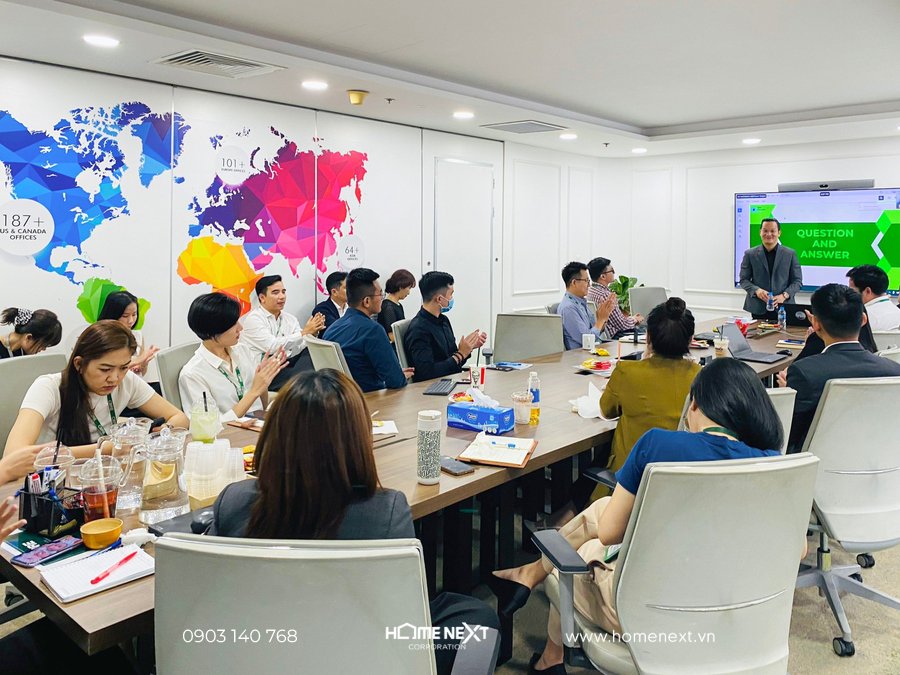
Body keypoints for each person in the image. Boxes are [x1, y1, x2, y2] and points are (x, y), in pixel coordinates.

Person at [490, 358, 783, 674]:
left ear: (696, 403)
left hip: (650, 616)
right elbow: (797, 549)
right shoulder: (773, 463)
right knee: (600, 516)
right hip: (733, 614)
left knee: (570, 557)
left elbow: (609, 533)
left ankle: (549, 647)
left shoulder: (658, 444)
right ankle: (536, 603)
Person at [208, 370, 498, 675]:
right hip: (358, 654)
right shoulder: (384, 511)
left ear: (274, 435)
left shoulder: (233, 502)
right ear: (358, 439)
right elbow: (405, 614)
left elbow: (210, 596)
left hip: (258, 651)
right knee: (476, 622)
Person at [3, 321, 188, 480]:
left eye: (124, 367)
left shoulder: (127, 381)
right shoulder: (49, 388)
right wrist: (107, 449)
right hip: (53, 483)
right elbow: (14, 455)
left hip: (103, 476)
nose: (115, 378)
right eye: (105, 369)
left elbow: (180, 418)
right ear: (79, 364)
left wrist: (163, 431)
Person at [779, 283, 900, 451]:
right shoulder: (894, 370)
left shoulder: (804, 372)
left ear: (816, 324)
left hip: (817, 462)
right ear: (863, 320)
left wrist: (786, 394)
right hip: (882, 460)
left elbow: (787, 434)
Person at [599, 297, 700, 473]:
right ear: (691, 340)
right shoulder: (700, 376)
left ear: (648, 337)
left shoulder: (627, 372)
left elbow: (606, 411)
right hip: (681, 475)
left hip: (629, 477)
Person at [179, 293, 287, 421]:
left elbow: (260, 406)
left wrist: (263, 381)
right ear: (213, 330)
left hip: (258, 424)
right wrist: (254, 391)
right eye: (233, 324)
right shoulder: (193, 374)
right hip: (231, 432)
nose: (240, 328)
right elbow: (208, 426)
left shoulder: (242, 350)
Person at [323, 268, 413, 392]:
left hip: (342, 396)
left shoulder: (333, 329)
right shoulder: (373, 330)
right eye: (380, 294)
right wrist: (398, 375)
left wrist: (395, 373)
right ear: (366, 301)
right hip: (370, 397)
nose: (382, 298)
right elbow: (396, 382)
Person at [240, 275, 325, 389]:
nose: (282, 296)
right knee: (308, 377)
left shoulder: (290, 319)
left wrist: (312, 333)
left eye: (283, 292)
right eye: (275, 293)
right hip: (265, 372)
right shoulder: (254, 319)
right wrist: (304, 333)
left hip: (285, 364)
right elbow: (271, 346)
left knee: (312, 353)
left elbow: (299, 346)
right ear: (262, 297)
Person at [404, 271, 486, 382]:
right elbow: (426, 373)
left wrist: (468, 348)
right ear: (439, 299)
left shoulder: (444, 321)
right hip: (432, 388)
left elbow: (454, 362)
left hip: (452, 381)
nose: (452, 298)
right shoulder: (418, 329)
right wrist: (461, 354)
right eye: (451, 294)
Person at [738, 217, 803, 320]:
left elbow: (797, 281)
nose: (769, 234)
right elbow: (743, 280)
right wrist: (757, 291)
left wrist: (784, 295)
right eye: (765, 231)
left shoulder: (790, 254)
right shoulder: (750, 254)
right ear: (760, 232)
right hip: (758, 308)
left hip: (783, 307)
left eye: (773, 231)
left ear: (779, 233)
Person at [97, 291, 159, 378]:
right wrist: (138, 360)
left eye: (134, 314)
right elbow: (108, 369)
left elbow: (142, 373)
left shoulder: (138, 335)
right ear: (112, 314)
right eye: (125, 316)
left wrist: (143, 364)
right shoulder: (102, 337)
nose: (131, 320)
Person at [557, 262, 615, 351]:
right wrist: (600, 320)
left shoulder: (581, 302)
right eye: (586, 281)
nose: (589, 285)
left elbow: (595, 331)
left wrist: (604, 318)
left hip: (595, 350)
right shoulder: (568, 308)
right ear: (574, 282)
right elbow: (587, 341)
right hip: (581, 355)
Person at [586, 257, 643, 337]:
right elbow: (623, 325)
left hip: (603, 336)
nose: (614, 272)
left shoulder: (590, 291)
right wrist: (635, 319)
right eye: (612, 271)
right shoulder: (606, 296)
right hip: (617, 336)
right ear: (603, 276)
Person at [846, 264, 900, 331]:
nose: (850, 294)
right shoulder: (897, 312)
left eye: (851, 290)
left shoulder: (863, 319)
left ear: (867, 291)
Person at [376, 268, 416, 342]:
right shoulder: (388, 307)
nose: (409, 293)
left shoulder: (398, 305)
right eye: (409, 288)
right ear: (401, 286)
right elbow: (392, 336)